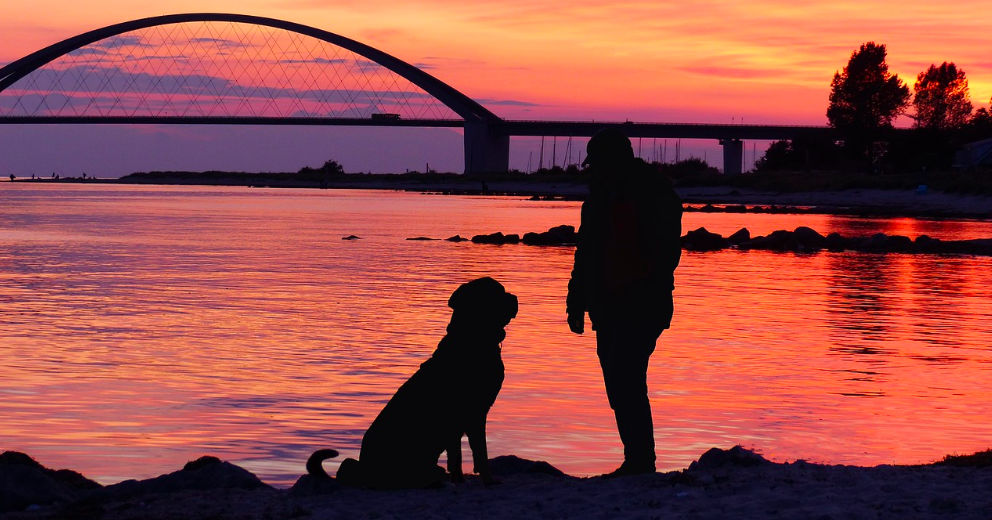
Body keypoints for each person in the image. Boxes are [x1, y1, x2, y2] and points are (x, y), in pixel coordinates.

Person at [566, 128, 683, 477]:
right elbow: (585, 252)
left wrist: (643, 283)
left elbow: (667, 253)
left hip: (642, 303)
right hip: (607, 303)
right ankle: (636, 458)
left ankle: (641, 461)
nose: (594, 169)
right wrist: (576, 301)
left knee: (627, 376)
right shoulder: (599, 198)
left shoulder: (655, 194)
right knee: (618, 382)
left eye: (599, 162)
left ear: (616, 160)